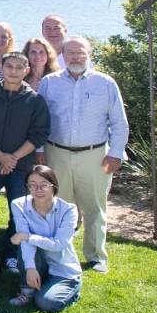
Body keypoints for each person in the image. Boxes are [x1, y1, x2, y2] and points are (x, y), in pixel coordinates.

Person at [39, 36, 128, 273]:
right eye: (70, 53)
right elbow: (40, 120)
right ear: (62, 55)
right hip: (56, 152)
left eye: (81, 53)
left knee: (95, 208)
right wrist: (39, 151)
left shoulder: (105, 83)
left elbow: (119, 122)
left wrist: (116, 153)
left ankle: (96, 256)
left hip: (95, 155)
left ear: (90, 55)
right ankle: (59, 254)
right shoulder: (50, 82)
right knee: (57, 207)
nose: (76, 58)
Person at [0, 51, 51, 272]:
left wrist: (13, 158)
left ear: (27, 70)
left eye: (20, 67)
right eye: (10, 66)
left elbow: (39, 134)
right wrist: (0, 156)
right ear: (2, 67)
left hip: (21, 167)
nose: (14, 71)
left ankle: (11, 254)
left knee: (18, 211)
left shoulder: (35, 100)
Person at [8, 165, 82, 312]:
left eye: (44, 185)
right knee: (25, 243)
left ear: (53, 186)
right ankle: (27, 291)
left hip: (62, 267)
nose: (38, 190)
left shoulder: (69, 210)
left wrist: (29, 237)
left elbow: (59, 244)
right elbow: (24, 240)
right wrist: (29, 267)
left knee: (46, 303)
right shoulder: (18, 205)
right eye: (32, 185)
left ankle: (73, 290)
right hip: (38, 261)